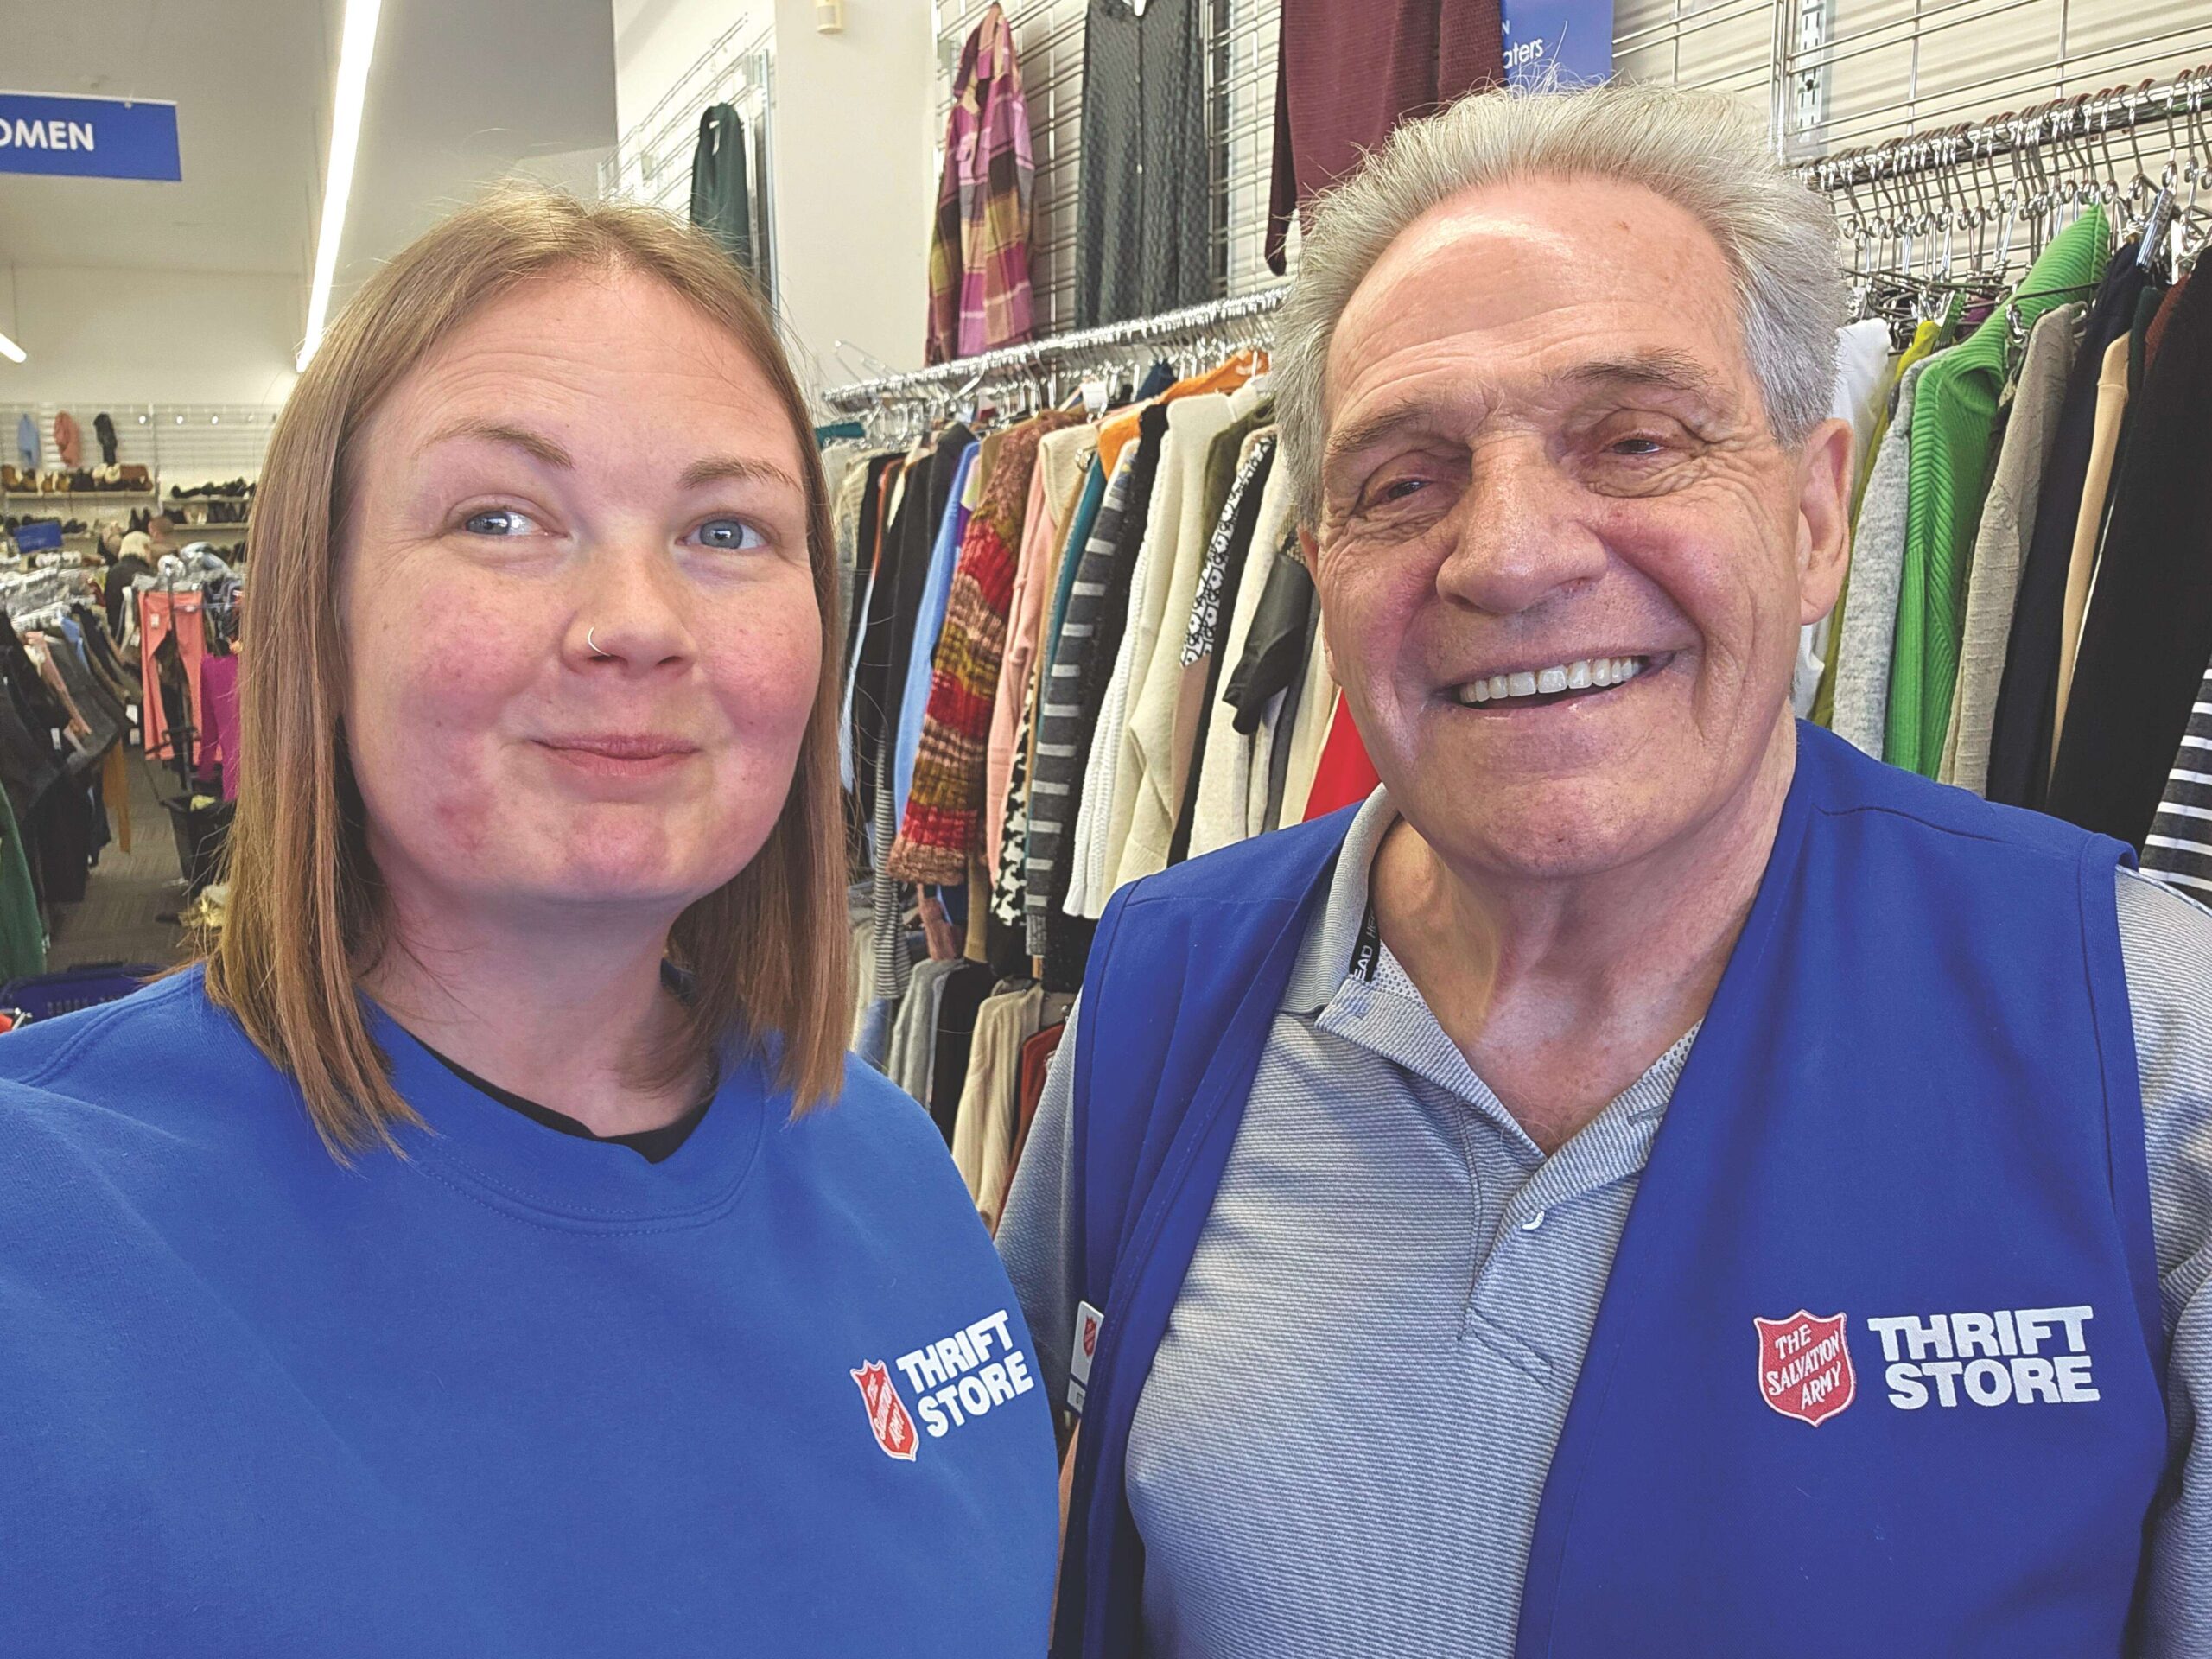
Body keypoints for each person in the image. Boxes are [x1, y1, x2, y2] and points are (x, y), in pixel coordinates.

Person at [999, 82, 2212, 1657]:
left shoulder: (2137, 1029)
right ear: (1321, 571)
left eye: (1635, 441)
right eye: (1403, 480)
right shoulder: (1169, 994)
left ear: (1818, 512)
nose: (1509, 556)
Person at [0, 189, 1057, 1655]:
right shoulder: (46, 1235)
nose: (638, 617)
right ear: (318, 616)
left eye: (727, 528)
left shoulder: (896, 1174)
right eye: (501, 517)